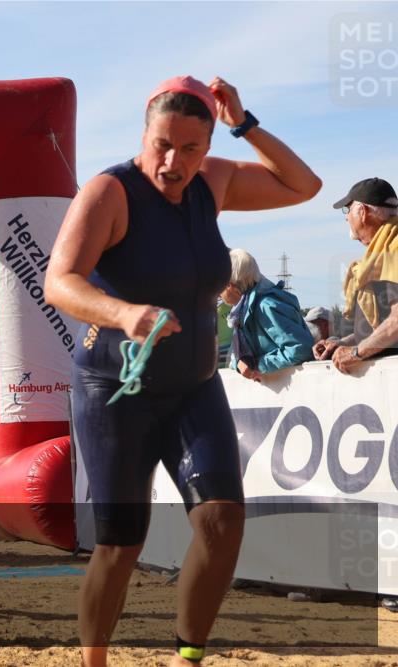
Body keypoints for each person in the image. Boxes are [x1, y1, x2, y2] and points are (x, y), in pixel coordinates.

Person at [44, 75, 321, 667]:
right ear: (144, 134)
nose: (172, 162)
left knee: (223, 525)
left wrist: (246, 124)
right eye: (162, 144)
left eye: (190, 149)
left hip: (194, 387)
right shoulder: (110, 192)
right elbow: (59, 281)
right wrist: (124, 313)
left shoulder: (212, 182)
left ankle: (187, 656)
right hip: (116, 390)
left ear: (208, 146)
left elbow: (305, 186)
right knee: (121, 545)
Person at [314, 177, 398, 373]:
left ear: (363, 211)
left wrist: (356, 353)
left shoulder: (393, 249)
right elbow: (376, 328)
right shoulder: (380, 253)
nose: (346, 217)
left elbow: (395, 323)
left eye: (348, 209)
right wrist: (340, 343)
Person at [221, 248, 314, 380]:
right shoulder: (241, 312)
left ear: (230, 286)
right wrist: (240, 364)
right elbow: (237, 359)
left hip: (291, 392)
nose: (217, 291)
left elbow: (300, 349)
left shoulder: (266, 306)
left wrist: (258, 364)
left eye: (219, 285)